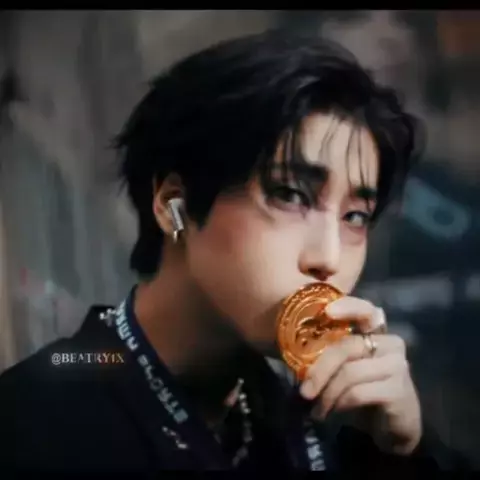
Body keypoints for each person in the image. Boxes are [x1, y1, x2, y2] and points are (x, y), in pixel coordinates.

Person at [0, 30, 469, 473]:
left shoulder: (335, 419)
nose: (328, 259)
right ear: (173, 205)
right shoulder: (37, 419)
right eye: (289, 195)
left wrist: (403, 454)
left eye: (355, 217)